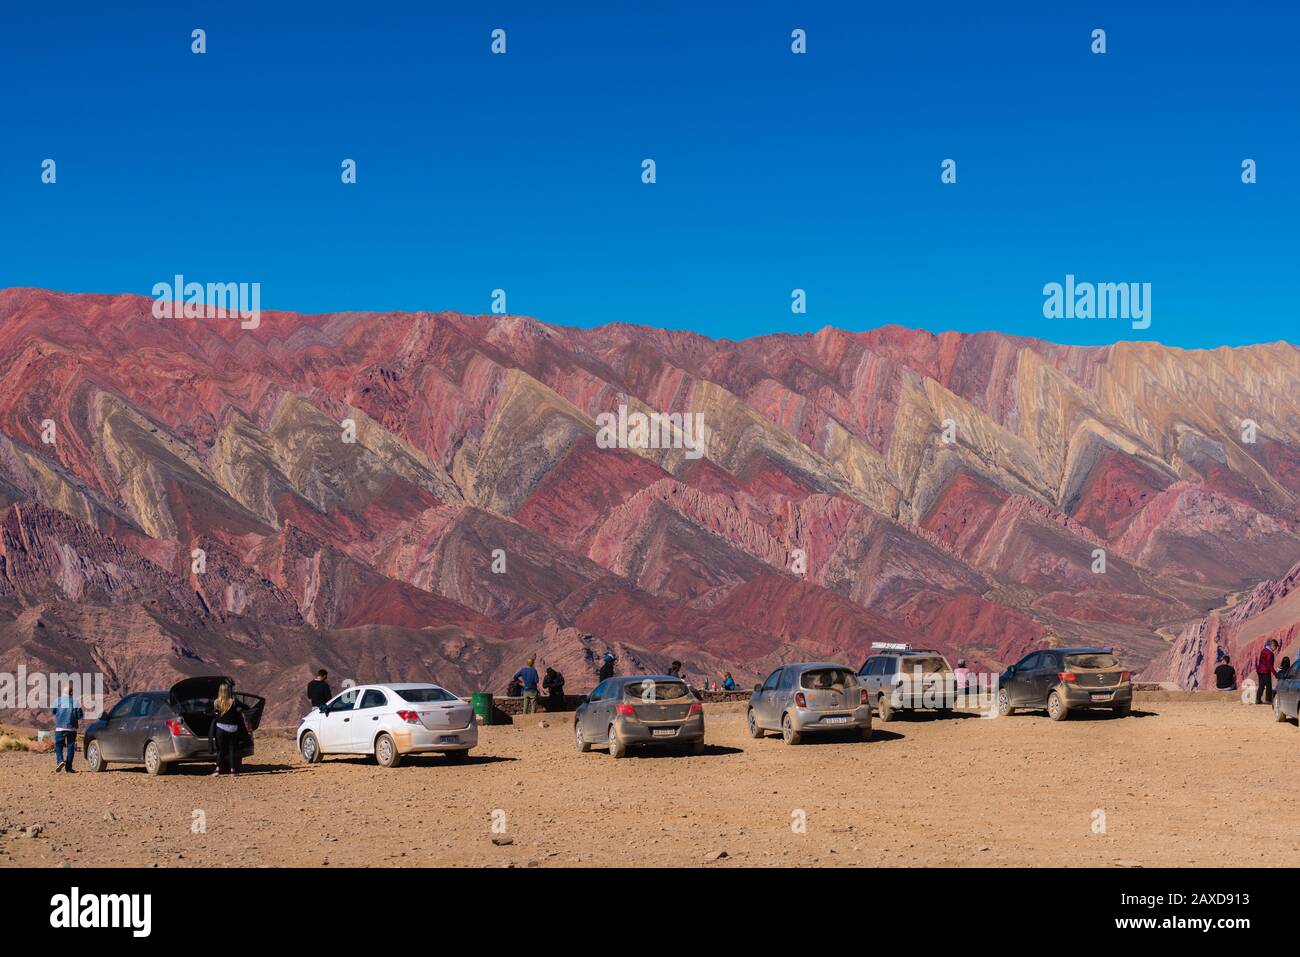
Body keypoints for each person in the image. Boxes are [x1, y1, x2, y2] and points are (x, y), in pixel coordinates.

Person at [210, 683, 247, 776]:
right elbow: (246, 707)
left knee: (221, 750)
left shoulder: (216, 702)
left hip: (220, 728)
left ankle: (217, 770)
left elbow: (211, 713)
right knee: (232, 750)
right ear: (229, 691)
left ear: (220, 691)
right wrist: (238, 711)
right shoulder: (233, 701)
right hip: (232, 729)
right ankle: (233, 771)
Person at [50, 682, 83, 774]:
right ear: (71, 693)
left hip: (60, 727)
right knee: (70, 747)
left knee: (58, 745)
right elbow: (79, 715)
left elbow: (53, 711)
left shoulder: (57, 700)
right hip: (72, 728)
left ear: (63, 693)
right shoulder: (75, 701)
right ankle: (68, 768)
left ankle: (60, 761)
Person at [1256, 640, 1277, 704]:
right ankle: (1268, 700)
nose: (1275, 649)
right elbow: (1269, 664)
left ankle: (1258, 699)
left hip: (1260, 671)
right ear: (1273, 646)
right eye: (1275, 647)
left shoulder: (1263, 650)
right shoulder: (1270, 653)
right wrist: (1275, 673)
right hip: (1266, 671)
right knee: (1268, 686)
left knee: (1261, 685)